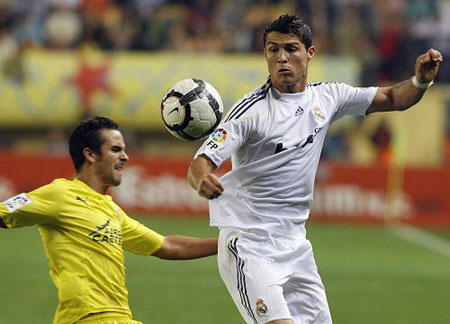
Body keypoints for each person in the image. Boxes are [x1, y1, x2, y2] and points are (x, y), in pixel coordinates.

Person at [187, 14, 442, 324]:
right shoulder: (249, 111)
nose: (281, 58)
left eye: (291, 49)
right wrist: (202, 179)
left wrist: (420, 81)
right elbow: (201, 162)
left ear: (310, 53)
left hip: (296, 245)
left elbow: (392, 98)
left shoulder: (328, 97)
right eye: (272, 49)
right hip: (249, 243)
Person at [0, 116, 218, 324]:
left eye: (124, 149)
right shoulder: (60, 194)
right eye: (116, 149)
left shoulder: (112, 211)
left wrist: (228, 241)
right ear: (90, 155)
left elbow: (168, 246)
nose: (126, 156)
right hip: (87, 318)